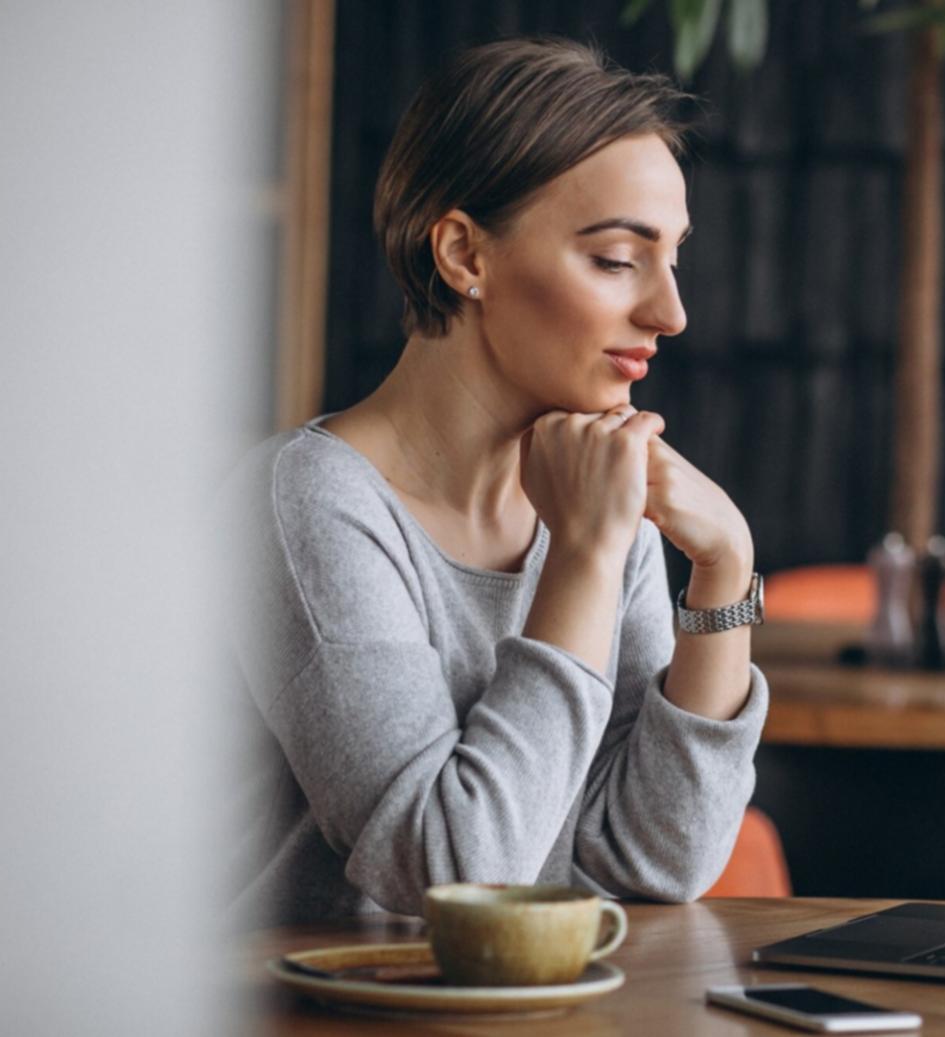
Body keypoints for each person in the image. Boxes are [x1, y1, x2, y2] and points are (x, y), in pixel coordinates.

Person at [221, 37, 769, 927]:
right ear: (464, 256)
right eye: (617, 259)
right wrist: (585, 558)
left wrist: (725, 572)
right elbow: (454, 873)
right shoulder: (305, 502)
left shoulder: (598, 500)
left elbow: (656, 856)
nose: (669, 312)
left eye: (672, 258)